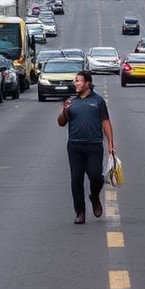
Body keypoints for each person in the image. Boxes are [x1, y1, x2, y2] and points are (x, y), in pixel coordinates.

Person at [56, 70, 115, 224]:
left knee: (96, 176)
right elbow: (61, 122)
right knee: (76, 179)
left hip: (94, 145)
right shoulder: (71, 101)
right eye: (75, 81)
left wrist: (110, 144)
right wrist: (64, 110)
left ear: (88, 83)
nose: (76, 83)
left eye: (79, 81)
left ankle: (94, 196)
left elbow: (106, 122)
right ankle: (80, 212)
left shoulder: (98, 101)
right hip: (75, 146)